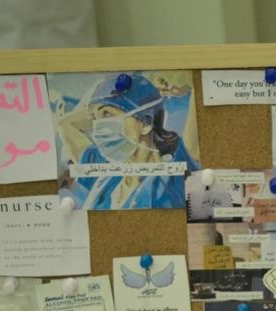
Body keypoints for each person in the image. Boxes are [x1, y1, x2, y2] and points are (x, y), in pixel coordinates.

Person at [59, 72, 198, 209]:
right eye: (94, 118)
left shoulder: (173, 176)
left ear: (146, 123)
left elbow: (194, 150)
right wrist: (100, 101)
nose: (98, 126)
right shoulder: (105, 173)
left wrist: (145, 98)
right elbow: (65, 125)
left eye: (107, 114)